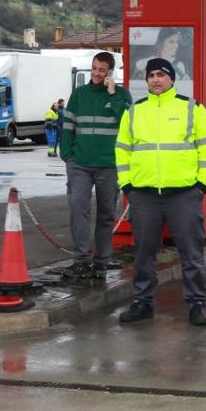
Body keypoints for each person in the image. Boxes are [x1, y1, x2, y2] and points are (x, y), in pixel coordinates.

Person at [114, 57, 206, 327]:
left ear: (172, 78)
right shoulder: (134, 111)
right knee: (143, 252)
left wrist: (201, 186)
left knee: (191, 252)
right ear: (146, 80)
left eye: (161, 74)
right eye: (151, 75)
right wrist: (128, 186)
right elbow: (122, 151)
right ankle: (142, 303)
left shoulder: (192, 109)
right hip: (144, 194)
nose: (156, 79)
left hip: (184, 195)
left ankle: (196, 303)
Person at [59, 53, 131, 280]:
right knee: (78, 208)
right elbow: (68, 127)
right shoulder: (78, 95)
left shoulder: (121, 95)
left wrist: (113, 94)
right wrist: (68, 156)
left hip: (109, 165)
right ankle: (81, 260)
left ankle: (101, 261)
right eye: (94, 68)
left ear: (110, 72)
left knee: (106, 214)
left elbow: (128, 122)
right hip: (79, 164)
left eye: (102, 70)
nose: (97, 73)